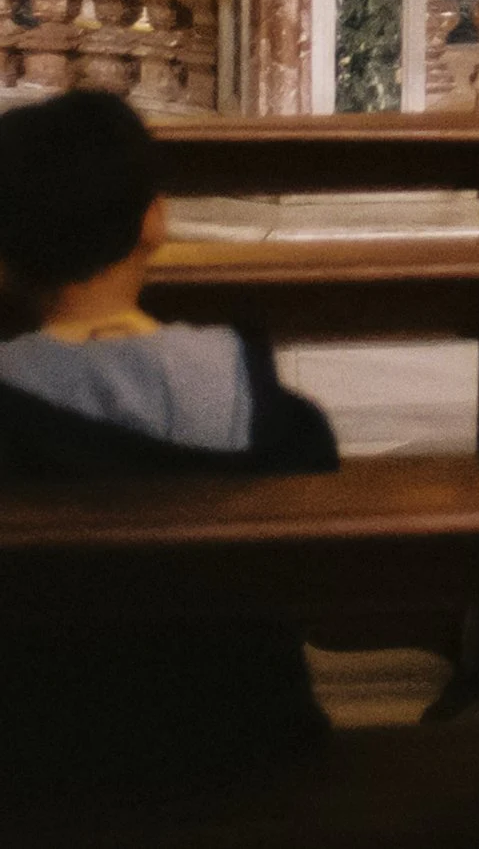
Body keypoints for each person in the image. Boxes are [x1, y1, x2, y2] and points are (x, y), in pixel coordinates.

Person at [0, 88, 338, 802]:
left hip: (42, 765)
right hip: (251, 752)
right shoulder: (265, 409)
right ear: (154, 219)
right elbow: (322, 582)